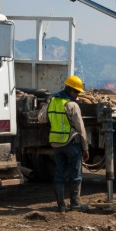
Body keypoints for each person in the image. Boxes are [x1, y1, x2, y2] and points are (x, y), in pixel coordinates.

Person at [38, 74, 89, 212]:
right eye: (77, 92)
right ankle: (75, 204)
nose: (78, 95)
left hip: (56, 144)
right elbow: (81, 128)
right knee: (75, 174)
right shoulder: (72, 105)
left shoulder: (52, 101)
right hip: (71, 143)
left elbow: (41, 118)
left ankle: (61, 205)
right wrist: (85, 148)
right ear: (71, 90)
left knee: (59, 175)